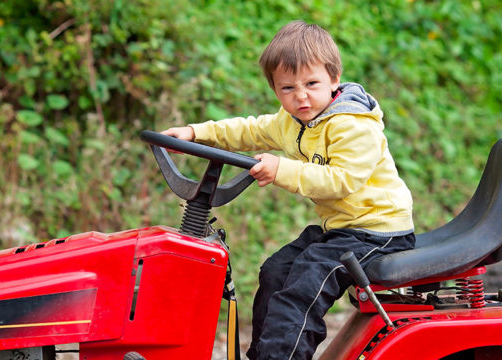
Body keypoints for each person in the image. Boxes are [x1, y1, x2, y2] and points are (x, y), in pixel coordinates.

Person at [162, 20, 415, 359]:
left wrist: (281, 168)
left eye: (312, 84)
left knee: (302, 290)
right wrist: (195, 132)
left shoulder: (353, 125)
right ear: (275, 90)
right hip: (341, 230)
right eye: (287, 89)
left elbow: (342, 181)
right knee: (276, 271)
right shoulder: (292, 120)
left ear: (334, 79)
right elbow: (250, 129)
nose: (300, 96)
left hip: (378, 231)